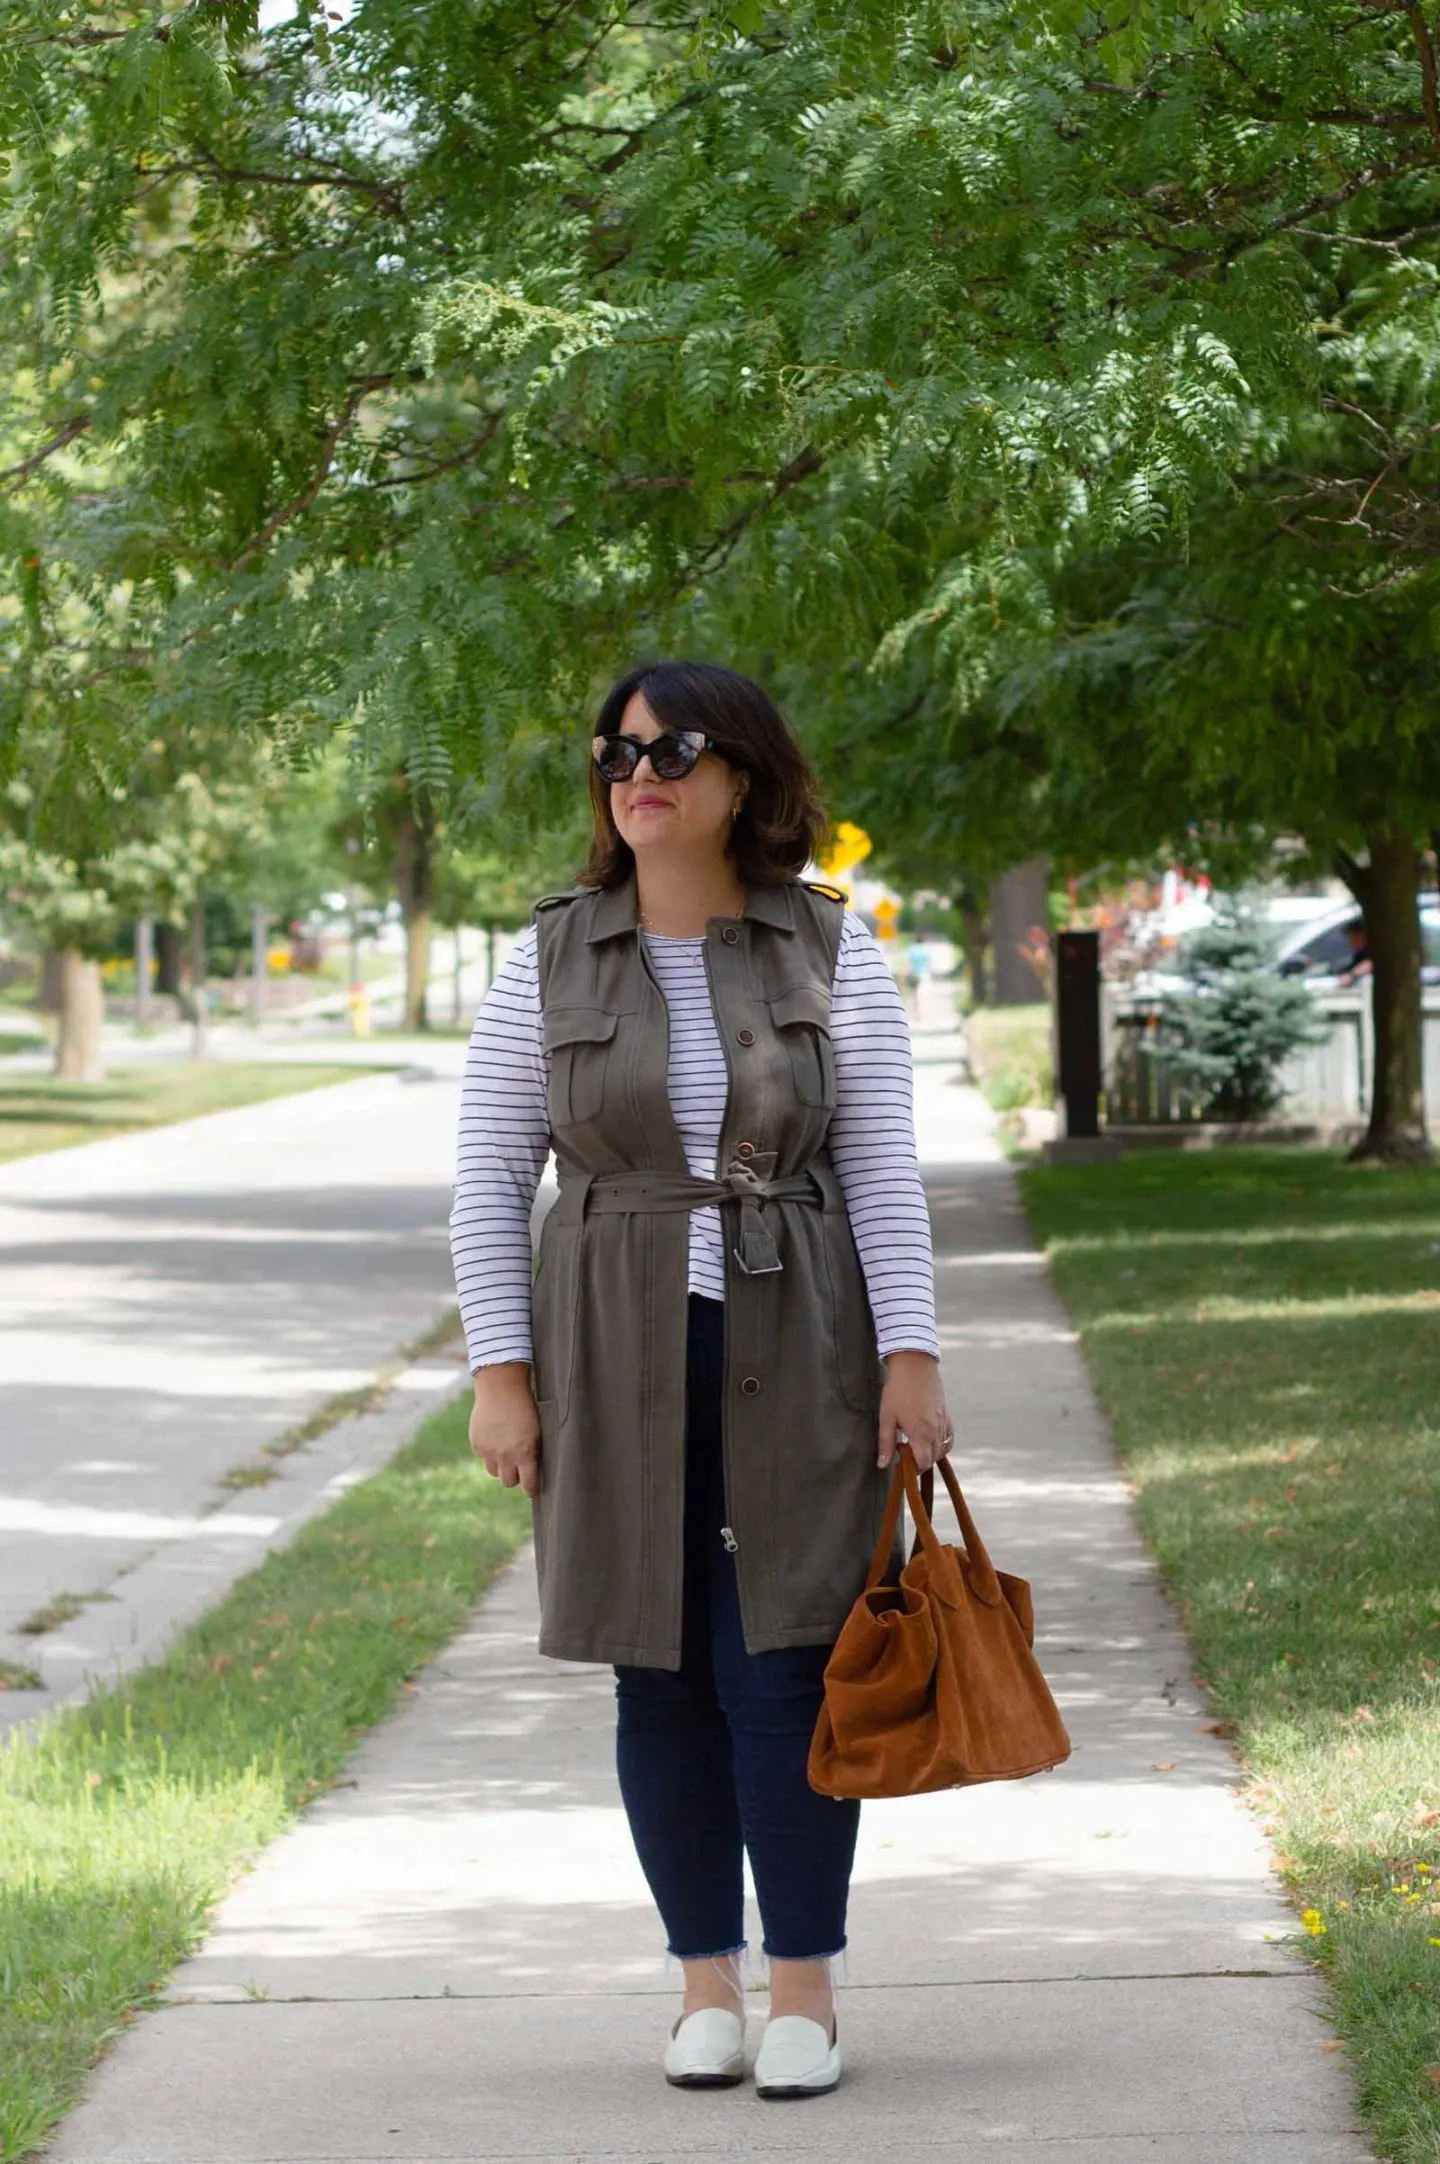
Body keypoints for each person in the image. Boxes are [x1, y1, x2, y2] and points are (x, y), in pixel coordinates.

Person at [450, 660, 949, 2100]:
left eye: (672, 748)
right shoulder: (543, 956)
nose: (638, 771)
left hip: (804, 1351)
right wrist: (503, 1373)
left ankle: (805, 1991)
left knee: (790, 1665)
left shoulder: (829, 949)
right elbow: (489, 1179)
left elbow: (879, 1170)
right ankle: (701, 1991)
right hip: (610, 1353)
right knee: (653, 1670)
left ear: (742, 777)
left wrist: (911, 1359)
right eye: (616, 751)